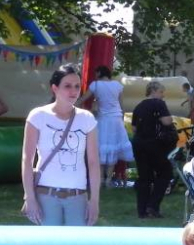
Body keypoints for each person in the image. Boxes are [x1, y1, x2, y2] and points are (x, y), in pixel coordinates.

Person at [21, 64, 100, 226]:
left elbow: (93, 162)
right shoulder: (38, 116)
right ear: (55, 88)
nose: (74, 91)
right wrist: (29, 197)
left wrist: (94, 200)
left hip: (78, 195)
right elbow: (27, 160)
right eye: (68, 86)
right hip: (46, 195)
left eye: (77, 86)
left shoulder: (87, 118)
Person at [76, 66, 134, 187]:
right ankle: (108, 180)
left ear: (99, 73)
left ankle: (101, 178)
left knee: (101, 147)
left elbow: (82, 99)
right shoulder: (117, 85)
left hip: (103, 119)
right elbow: (122, 105)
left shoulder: (95, 85)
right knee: (113, 147)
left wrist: (71, 107)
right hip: (116, 120)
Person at [130, 81, 174, 219]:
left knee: (144, 178)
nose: (162, 95)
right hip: (154, 144)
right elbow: (167, 121)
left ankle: (142, 211)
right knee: (165, 173)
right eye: (161, 92)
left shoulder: (138, 106)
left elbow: (134, 128)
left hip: (139, 144)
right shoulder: (158, 103)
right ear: (154, 90)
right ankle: (153, 206)